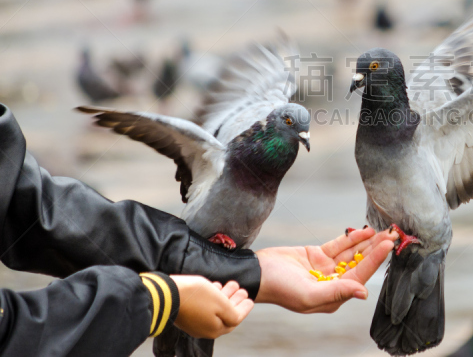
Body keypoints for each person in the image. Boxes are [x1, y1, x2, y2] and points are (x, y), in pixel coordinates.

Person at [0, 103, 397, 355]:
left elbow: (37, 210)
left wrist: (244, 271)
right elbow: (21, 332)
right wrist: (163, 299)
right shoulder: (225, 158)